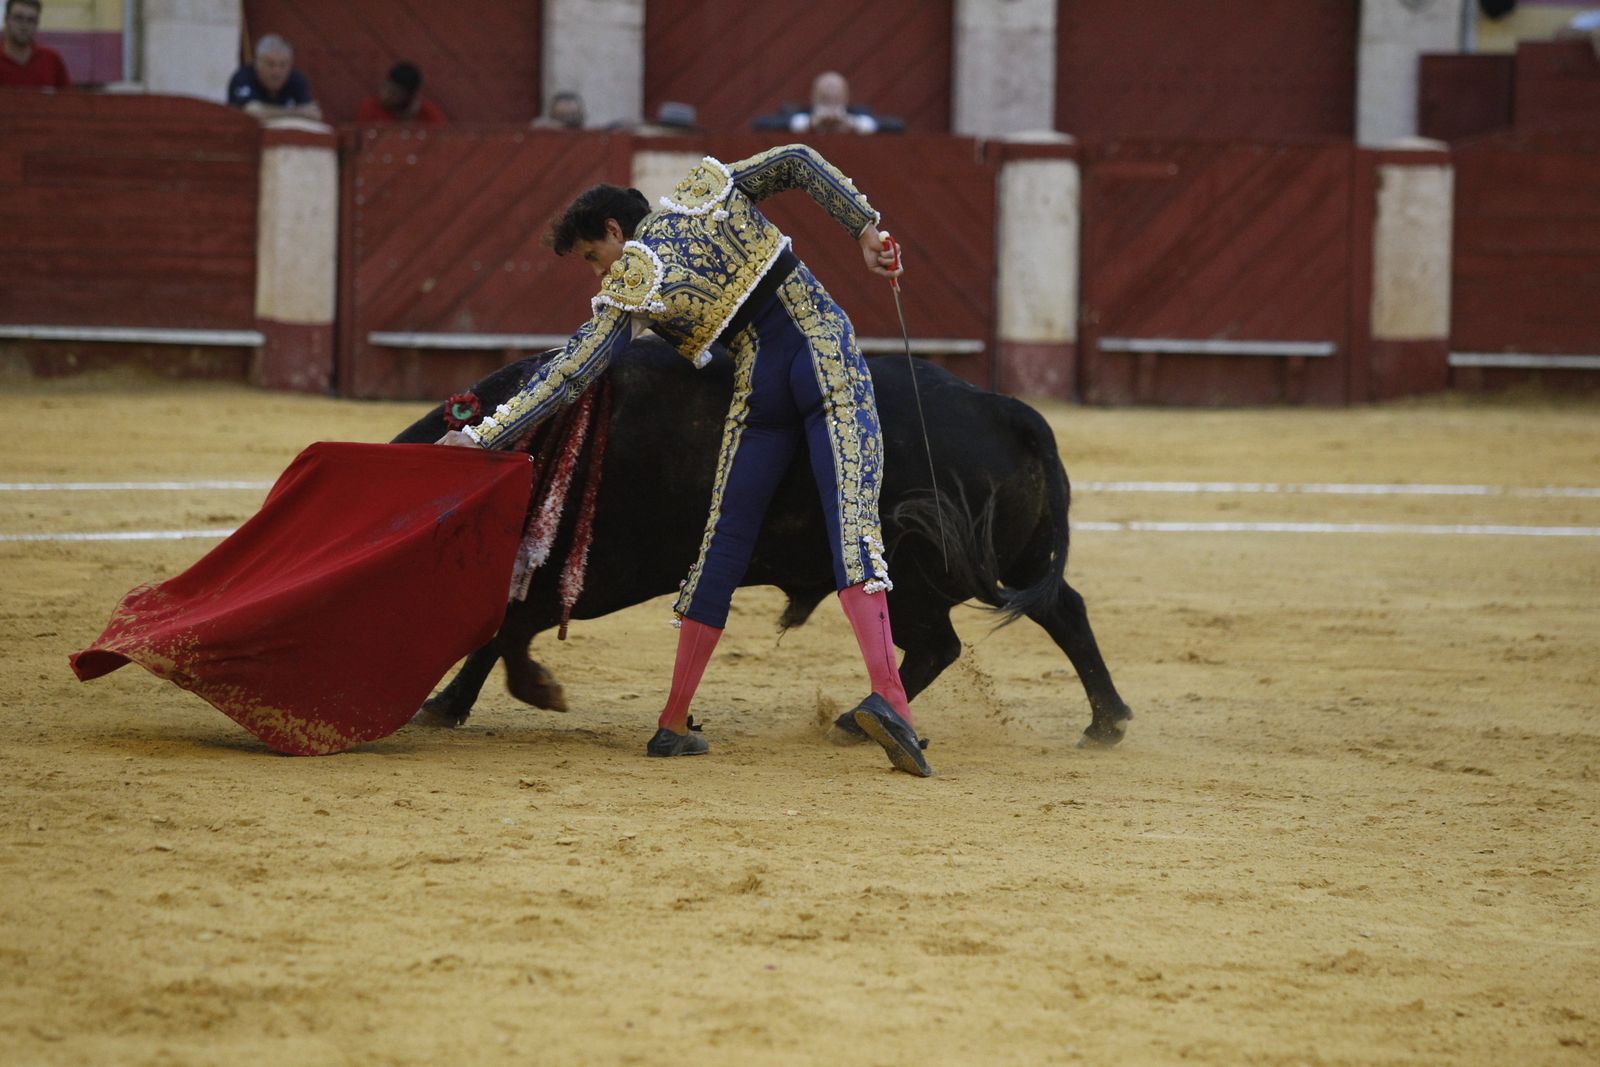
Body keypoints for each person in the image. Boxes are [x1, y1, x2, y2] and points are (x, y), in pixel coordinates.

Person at [438, 145, 933, 777]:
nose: (598, 273)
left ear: (614, 230)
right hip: (820, 351)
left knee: (721, 545)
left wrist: (485, 435)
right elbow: (800, 161)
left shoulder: (632, 284)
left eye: (593, 256)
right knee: (853, 523)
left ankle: (672, 722)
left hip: (760, 388)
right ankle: (890, 697)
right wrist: (864, 228)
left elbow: (569, 374)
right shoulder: (710, 190)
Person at [227, 33, 321, 121]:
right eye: (270, 64)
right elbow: (252, 113)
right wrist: (297, 112)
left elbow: (314, 114)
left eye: (283, 65)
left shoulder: (296, 79)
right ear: (257, 63)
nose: (276, 72)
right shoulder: (243, 77)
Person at [0, 0, 70, 89]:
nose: (24, 26)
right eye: (18, 18)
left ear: (37, 24)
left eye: (31, 20)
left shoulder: (52, 60)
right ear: (6, 20)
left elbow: (69, 101)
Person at [355, 61, 446, 125]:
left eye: (394, 93)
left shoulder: (427, 113)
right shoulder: (370, 107)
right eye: (385, 87)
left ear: (409, 96)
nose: (385, 95)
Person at [788, 71, 877, 135]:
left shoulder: (861, 112)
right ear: (813, 94)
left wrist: (851, 123)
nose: (831, 91)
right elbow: (777, 123)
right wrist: (810, 123)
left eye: (835, 88)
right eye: (826, 88)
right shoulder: (793, 111)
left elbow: (881, 124)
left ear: (846, 95)